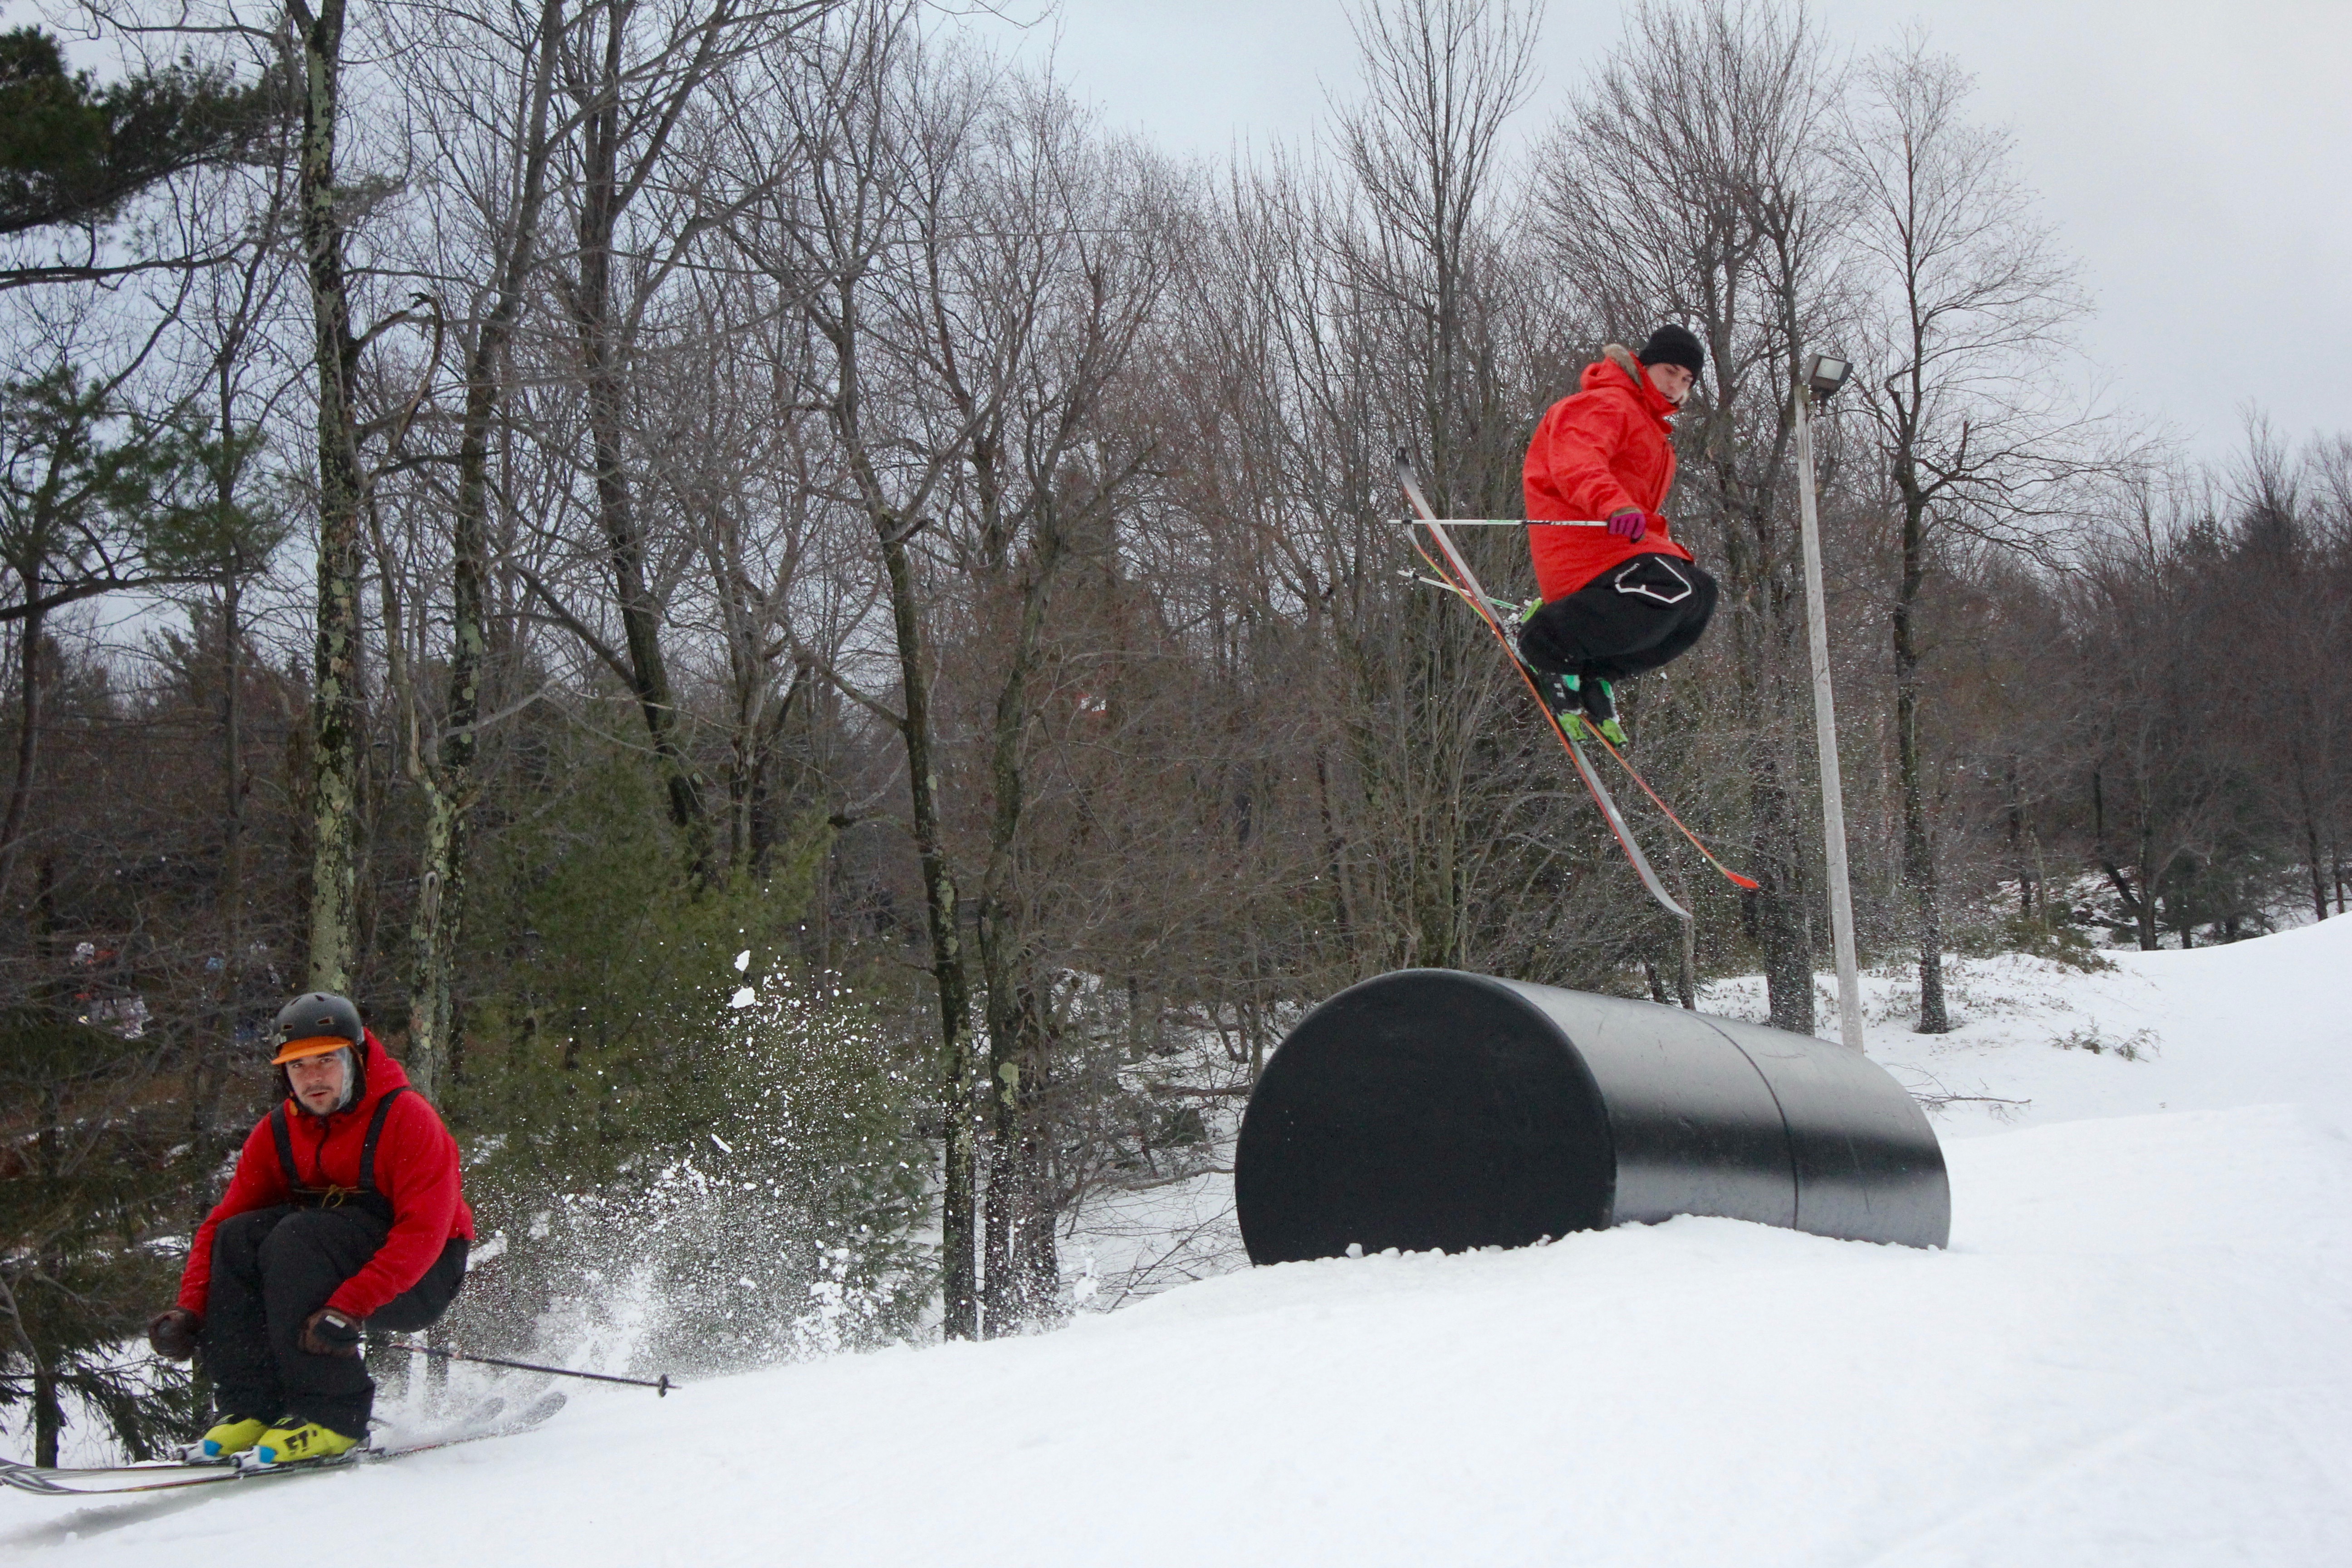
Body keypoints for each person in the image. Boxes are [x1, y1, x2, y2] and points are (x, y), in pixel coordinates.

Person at [146, 993, 473, 1465]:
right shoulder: (278, 1131)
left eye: (327, 1060)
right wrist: (191, 1310)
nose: (313, 1077)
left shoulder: (408, 1119)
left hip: (422, 1277)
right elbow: (220, 1227)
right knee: (240, 1237)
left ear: (357, 1059)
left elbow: (424, 1234)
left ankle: (334, 1417)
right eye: (298, 1067)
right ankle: (252, 1409)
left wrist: (350, 1306)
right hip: (331, 1264)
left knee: (297, 1238)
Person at [1517, 323, 1720, 746]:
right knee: (1674, 589)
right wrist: (1615, 505)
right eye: (1669, 371)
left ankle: (1596, 671)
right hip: (1585, 546)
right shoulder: (1606, 404)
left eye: (1687, 380)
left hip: (1620, 547)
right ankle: (1547, 639)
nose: (1676, 386)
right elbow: (1577, 461)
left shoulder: (1651, 427)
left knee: (1700, 595)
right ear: (1644, 364)